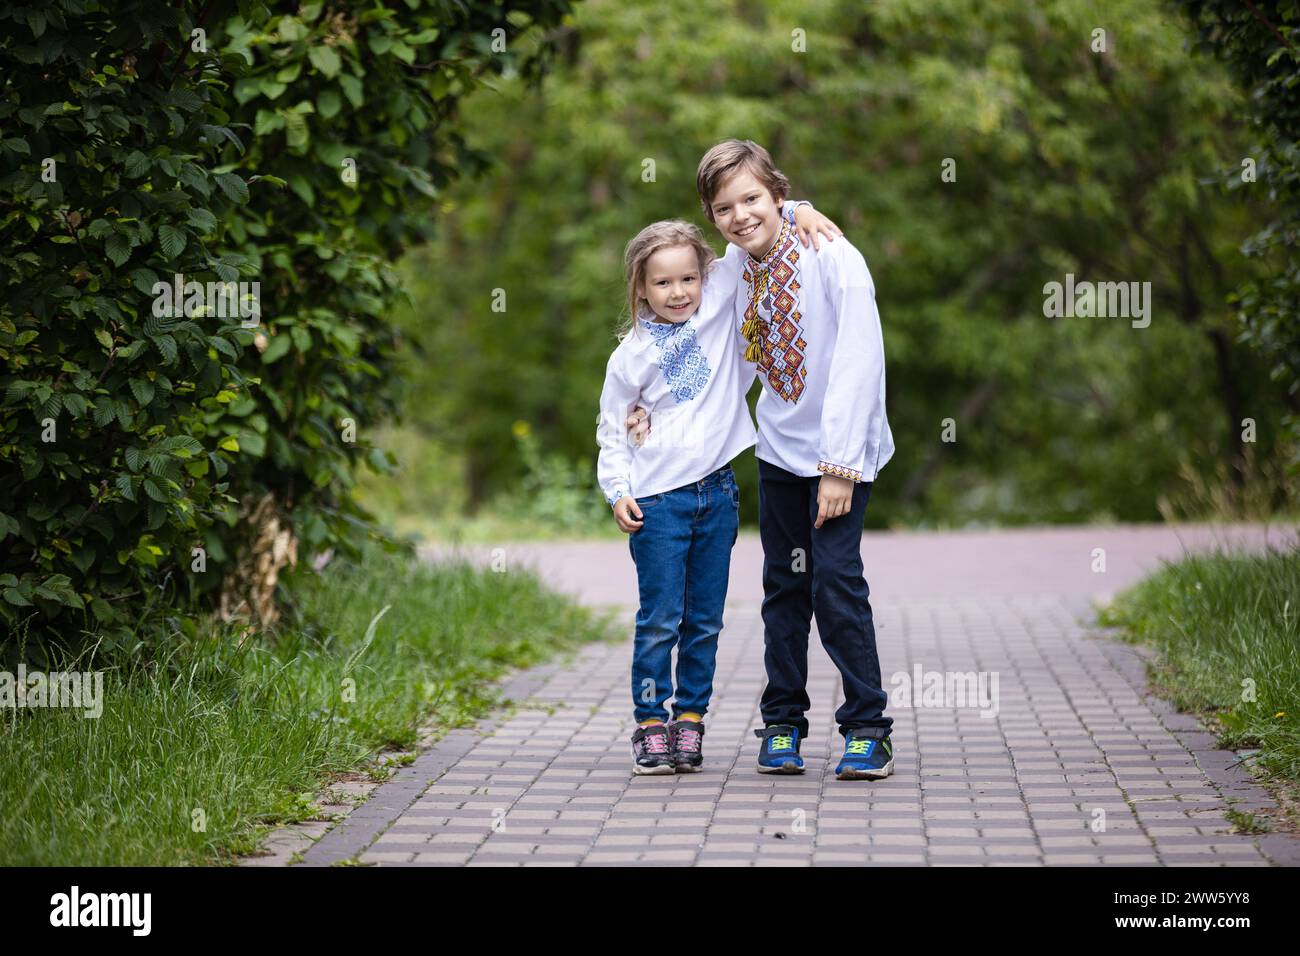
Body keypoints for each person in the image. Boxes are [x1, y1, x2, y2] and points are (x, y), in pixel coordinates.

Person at [627, 140, 896, 780]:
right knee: (784, 589)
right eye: (724, 207)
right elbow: (684, 326)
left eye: (753, 198)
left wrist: (839, 466)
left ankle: (867, 727)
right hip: (778, 450)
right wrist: (647, 407)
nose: (741, 215)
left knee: (836, 584)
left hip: (840, 457)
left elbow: (862, 362)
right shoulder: (733, 271)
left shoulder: (835, 258)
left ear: (778, 192)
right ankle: (782, 724)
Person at [596, 202, 839, 775]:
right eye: (662, 282)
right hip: (657, 501)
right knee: (660, 617)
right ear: (641, 287)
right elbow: (612, 427)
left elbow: (746, 230)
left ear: (705, 277)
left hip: (718, 495)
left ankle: (691, 722)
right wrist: (616, 489)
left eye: (688, 278)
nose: (679, 292)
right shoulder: (629, 357)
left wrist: (795, 208)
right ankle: (651, 723)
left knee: (704, 619)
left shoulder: (718, 306)